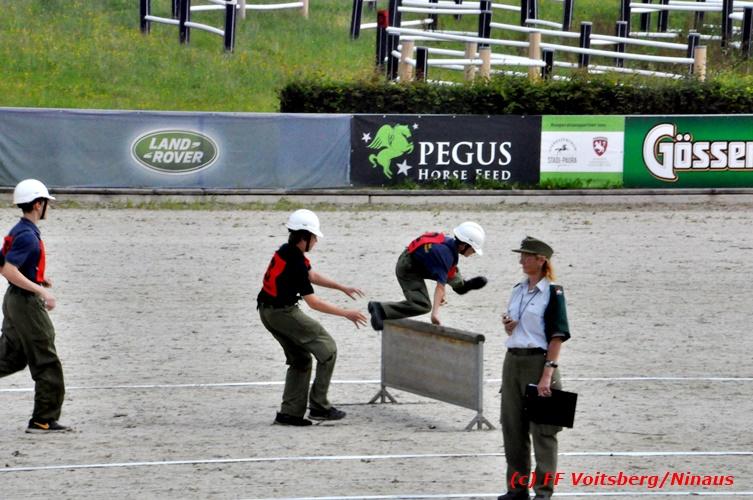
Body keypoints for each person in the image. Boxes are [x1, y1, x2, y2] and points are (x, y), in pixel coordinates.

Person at [258, 209, 368, 426]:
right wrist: (346, 313)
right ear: (304, 237)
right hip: (283, 313)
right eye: (314, 237)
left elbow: (312, 275)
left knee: (300, 360)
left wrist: (341, 287)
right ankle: (319, 406)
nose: (316, 241)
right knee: (328, 349)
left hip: (266, 311)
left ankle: (290, 413)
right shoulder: (296, 263)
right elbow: (314, 303)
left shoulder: (287, 251)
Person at [498, 236, 571, 500]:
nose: (521, 260)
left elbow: (557, 336)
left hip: (539, 362)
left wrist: (547, 374)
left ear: (541, 260)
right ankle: (516, 489)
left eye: (527, 256)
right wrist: (508, 324)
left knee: (544, 432)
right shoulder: (518, 289)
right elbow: (517, 324)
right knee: (512, 429)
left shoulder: (553, 292)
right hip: (513, 362)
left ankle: (543, 493)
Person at [0, 179, 71, 433]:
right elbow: (7, 269)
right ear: (38, 205)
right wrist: (40, 290)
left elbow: (11, 263)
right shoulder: (28, 237)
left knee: (11, 357)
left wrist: (38, 278)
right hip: (25, 303)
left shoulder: (20, 230)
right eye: (45, 202)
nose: (47, 207)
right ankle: (43, 419)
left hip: (13, 300)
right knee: (46, 360)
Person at [367, 221, 487, 330]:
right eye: (473, 250)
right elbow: (440, 287)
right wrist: (434, 314)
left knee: (455, 278)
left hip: (423, 262)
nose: (473, 253)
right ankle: (380, 309)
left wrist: (443, 287)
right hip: (408, 268)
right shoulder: (444, 255)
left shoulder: (449, 245)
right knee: (422, 305)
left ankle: (462, 287)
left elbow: (443, 273)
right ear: (463, 245)